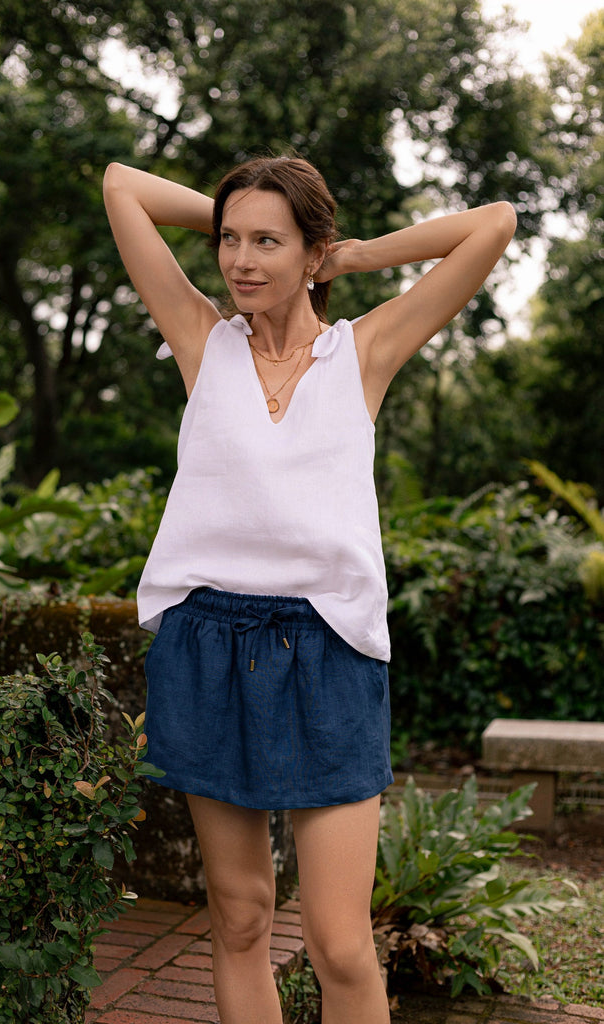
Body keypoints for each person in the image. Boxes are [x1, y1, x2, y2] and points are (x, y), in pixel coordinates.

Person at [103, 153, 516, 1024]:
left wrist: (353, 256)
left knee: (337, 940)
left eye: (267, 241)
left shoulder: (362, 350)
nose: (241, 260)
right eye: (228, 238)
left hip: (329, 651)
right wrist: (236, 208)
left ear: (311, 250)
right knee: (242, 915)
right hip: (207, 642)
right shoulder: (197, 338)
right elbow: (120, 184)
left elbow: (494, 222)